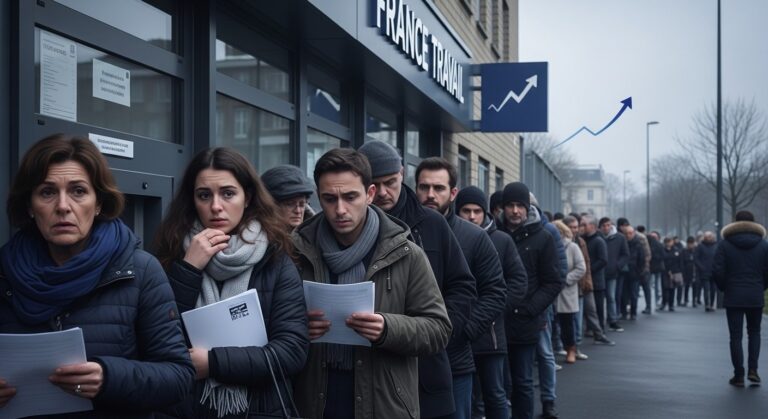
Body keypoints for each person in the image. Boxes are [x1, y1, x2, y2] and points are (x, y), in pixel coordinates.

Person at [0, 134, 194, 417]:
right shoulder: (4, 273)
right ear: (30, 206)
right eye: (47, 192)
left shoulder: (140, 272)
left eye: (78, 191)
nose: (63, 206)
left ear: (99, 203)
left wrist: (110, 377)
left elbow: (179, 376)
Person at [291, 148, 452, 418]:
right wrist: (297, 329)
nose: (340, 209)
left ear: (370, 194)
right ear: (319, 197)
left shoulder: (406, 253)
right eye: (329, 199)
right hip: (312, 398)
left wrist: (387, 328)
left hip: (384, 403)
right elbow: (270, 325)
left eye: (350, 197)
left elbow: (438, 329)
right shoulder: (296, 252)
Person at [153, 147, 309, 418]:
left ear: (247, 197)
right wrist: (189, 269)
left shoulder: (275, 258)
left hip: (259, 408)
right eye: (204, 195)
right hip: (188, 408)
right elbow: (158, 339)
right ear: (192, 200)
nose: (216, 206)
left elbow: (291, 352)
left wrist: (213, 363)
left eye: (228, 193)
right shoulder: (171, 255)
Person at [358, 140, 475, 419]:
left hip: (427, 367)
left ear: (402, 174)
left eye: (391, 182)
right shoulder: (349, 229)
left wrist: (443, 331)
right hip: (367, 363)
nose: (384, 192)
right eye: (376, 184)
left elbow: (463, 286)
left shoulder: (431, 224)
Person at [415, 160, 507, 419]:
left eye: (439, 188)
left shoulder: (474, 237)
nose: (430, 194)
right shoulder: (401, 230)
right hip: (406, 361)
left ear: (453, 193)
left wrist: (459, 331)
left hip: (454, 361)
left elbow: (495, 292)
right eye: (424, 187)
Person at [454, 186, 528, 419]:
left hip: (491, 335)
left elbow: (518, 282)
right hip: (458, 331)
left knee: (495, 394)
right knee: (468, 398)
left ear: (485, 212)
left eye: (477, 211)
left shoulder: (502, 240)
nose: (472, 216)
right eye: (466, 210)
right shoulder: (450, 235)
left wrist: (494, 309)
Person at [497, 182, 563, 419]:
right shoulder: (494, 234)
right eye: (510, 205)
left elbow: (554, 281)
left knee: (523, 381)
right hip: (497, 321)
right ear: (503, 207)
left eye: (520, 206)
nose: (515, 211)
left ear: (527, 207)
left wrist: (531, 309)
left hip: (526, 322)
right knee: (499, 385)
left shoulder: (543, 237)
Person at [712, 210, 768, 387]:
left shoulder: (725, 244)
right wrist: (761, 286)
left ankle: (738, 375)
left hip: (734, 295)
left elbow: (717, 270)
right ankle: (754, 370)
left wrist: (724, 287)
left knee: (735, 336)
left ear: (735, 223)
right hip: (755, 294)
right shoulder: (764, 245)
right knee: (755, 332)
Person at [552, 220, 586, 364]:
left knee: (568, 325)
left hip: (567, 292)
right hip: (551, 292)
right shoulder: (549, 246)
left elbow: (581, 268)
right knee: (552, 325)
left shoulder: (572, 247)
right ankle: (555, 350)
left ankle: (571, 349)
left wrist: (565, 279)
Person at [261, 164, 316, 230]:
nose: (298, 211)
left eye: (302, 204)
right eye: (290, 204)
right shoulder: (256, 237)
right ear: (273, 205)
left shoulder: (315, 235)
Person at [598, 217, 628, 332]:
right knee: (600, 299)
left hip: (612, 272)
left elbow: (625, 254)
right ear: (600, 227)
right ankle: (600, 322)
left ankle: (613, 320)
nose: (606, 228)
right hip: (599, 272)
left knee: (611, 297)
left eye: (608, 225)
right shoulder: (597, 237)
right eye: (604, 225)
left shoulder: (620, 238)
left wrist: (617, 266)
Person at [695, 231, 718, 312]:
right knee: (706, 289)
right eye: (707, 236)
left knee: (713, 290)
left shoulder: (716, 246)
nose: (709, 238)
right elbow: (696, 258)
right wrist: (701, 267)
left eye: (710, 236)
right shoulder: (700, 246)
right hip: (704, 271)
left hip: (714, 271)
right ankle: (707, 305)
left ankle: (712, 304)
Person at [660, 237, 684, 312]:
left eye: (669, 241)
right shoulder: (662, 250)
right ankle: (664, 303)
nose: (668, 243)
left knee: (672, 289)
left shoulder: (676, 250)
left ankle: (671, 304)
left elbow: (679, 261)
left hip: (674, 271)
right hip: (665, 271)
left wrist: (679, 271)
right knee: (664, 288)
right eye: (667, 242)